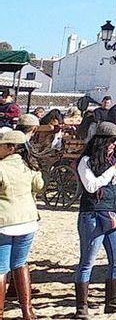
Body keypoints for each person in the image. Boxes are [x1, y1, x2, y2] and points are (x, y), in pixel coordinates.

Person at [76, 122, 116, 317]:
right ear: (101, 142)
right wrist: (113, 169)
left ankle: (112, 302)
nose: (114, 145)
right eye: (112, 141)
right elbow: (92, 186)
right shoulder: (85, 162)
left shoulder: (113, 161)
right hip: (92, 215)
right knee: (87, 262)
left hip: (114, 213)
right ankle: (81, 308)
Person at [0, 127, 43, 319]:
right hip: (28, 221)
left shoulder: (1, 167)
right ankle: (27, 311)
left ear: (10, 147)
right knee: (20, 263)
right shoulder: (30, 166)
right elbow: (39, 187)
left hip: (5, 221)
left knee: (1, 268)